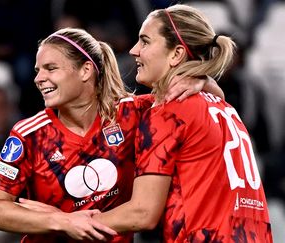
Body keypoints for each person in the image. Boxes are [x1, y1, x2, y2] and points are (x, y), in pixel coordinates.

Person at [0, 27, 224, 243]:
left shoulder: (132, 114)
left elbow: (213, 100)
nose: (38, 79)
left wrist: (201, 81)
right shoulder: (29, 135)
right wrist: (63, 221)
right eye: (38, 71)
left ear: (85, 70)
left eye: (51, 68)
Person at [72, 4, 272, 242]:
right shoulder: (223, 107)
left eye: (145, 41)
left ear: (176, 54)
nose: (135, 50)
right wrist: (206, 81)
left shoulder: (169, 112)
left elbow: (143, 214)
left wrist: (67, 222)